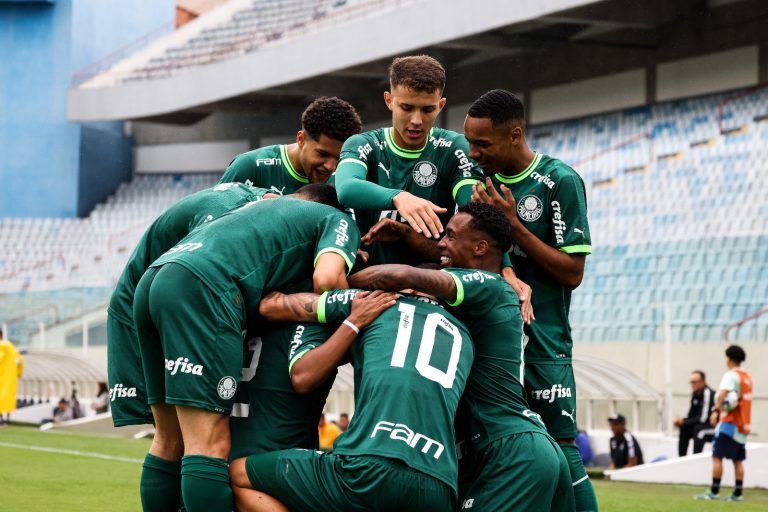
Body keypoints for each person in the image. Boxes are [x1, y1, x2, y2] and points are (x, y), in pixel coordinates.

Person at [133, 184, 359, 512]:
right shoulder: (337, 218)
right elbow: (327, 279)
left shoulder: (257, 208)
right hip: (205, 288)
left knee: (170, 439)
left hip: (156, 279)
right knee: (209, 443)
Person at [347, 202, 574, 511]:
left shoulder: (492, 287)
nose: (441, 244)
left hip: (509, 448)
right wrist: (403, 235)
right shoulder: (481, 297)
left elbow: (404, 275)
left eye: (451, 236)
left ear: (480, 247)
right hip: (515, 446)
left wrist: (336, 277)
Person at [467, 89, 597, 511]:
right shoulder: (475, 182)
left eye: (482, 144)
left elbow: (572, 273)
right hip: (487, 340)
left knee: (560, 445)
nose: (474, 152)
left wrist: (515, 227)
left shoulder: (559, 180)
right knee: (480, 443)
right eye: (469, 142)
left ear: (515, 134)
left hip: (543, 340)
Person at [230, 287, 473, 512]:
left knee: (237, 474)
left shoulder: (377, 303)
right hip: (440, 484)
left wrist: (353, 319)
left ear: (406, 286)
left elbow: (272, 307)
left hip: (368, 465)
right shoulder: (467, 335)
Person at [108, 182, 265, 433]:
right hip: (147, 301)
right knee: (184, 435)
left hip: (159, 294)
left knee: (183, 435)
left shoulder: (243, 206)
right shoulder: (224, 216)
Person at [334, 55, 485, 266]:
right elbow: (346, 188)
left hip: (433, 283)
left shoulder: (454, 148)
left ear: (441, 105)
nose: (416, 120)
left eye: (427, 109)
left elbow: (477, 216)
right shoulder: (362, 144)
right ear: (389, 100)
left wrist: (506, 269)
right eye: (406, 108)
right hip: (371, 284)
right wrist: (399, 197)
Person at [220, 96, 362, 191]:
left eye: (339, 158)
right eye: (322, 154)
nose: (330, 167)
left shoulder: (344, 180)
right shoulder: (249, 166)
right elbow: (211, 220)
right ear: (301, 139)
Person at [696, 345, 752, 502]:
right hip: (743, 425)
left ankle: (714, 491)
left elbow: (723, 393)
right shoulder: (746, 377)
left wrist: (716, 410)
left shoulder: (731, 375)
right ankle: (738, 493)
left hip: (729, 423)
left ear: (729, 358)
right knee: (738, 460)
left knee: (717, 457)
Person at [674, 370, 715, 456]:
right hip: (700, 425)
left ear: (702, 382)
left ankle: (695, 459)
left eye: (694, 382)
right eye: (691, 382)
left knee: (699, 430)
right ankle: (681, 459)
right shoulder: (695, 394)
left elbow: (703, 419)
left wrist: (684, 421)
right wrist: (681, 421)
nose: (692, 385)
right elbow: (690, 415)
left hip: (712, 427)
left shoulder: (708, 394)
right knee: (684, 427)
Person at [0, 331, 24, 426]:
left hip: (2, 377)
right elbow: (20, 360)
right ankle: (7, 419)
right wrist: (19, 373)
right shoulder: (11, 347)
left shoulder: (4, 345)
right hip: (11, 378)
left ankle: (2, 419)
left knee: (2, 398)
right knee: (9, 398)